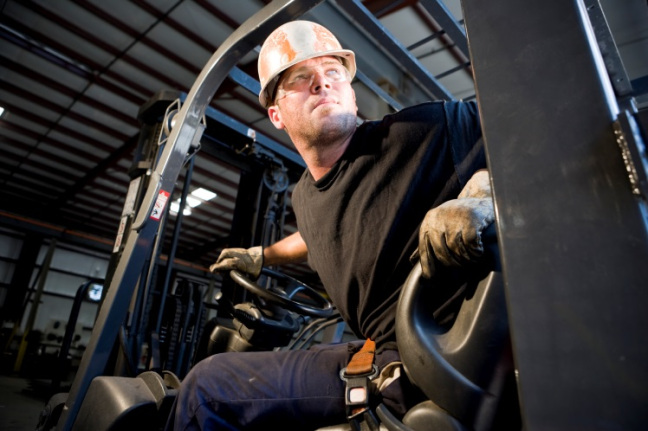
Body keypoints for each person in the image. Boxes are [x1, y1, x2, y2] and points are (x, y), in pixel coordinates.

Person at [168, 20, 494, 431]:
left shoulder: (424, 131)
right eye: (302, 78)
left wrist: (484, 194)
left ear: (351, 93)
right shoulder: (304, 196)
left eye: (333, 73)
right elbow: (316, 235)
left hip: (433, 357)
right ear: (276, 115)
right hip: (380, 351)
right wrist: (262, 255)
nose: (323, 83)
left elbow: (523, 135)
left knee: (206, 389)